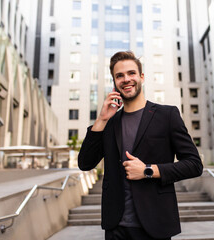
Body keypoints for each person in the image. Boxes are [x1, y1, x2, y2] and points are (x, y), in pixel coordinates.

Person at [78, 51, 203, 240]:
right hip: (116, 227)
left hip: (155, 224)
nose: (126, 79)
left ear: (141, 77)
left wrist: (148, 170)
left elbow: (194, 164)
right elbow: (85, 163)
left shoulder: (167, 115)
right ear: (114, 82)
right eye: (119, 76)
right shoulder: (109, 123)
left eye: (131, 73)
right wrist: (102, 119)